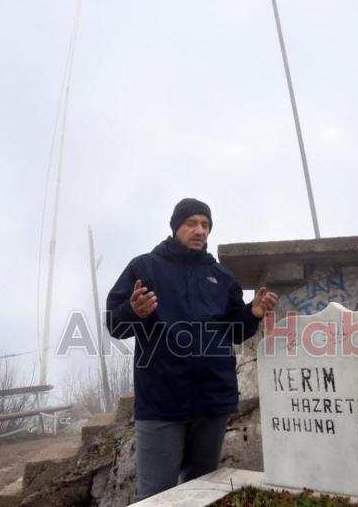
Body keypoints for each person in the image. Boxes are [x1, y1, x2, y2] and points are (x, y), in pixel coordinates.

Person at [106, 198, 277, 502]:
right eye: (192, 223)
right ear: (175, 227)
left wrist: (252, 313)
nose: (200, 230)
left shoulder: (221, 276)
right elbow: (114, 324)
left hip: (213, 399)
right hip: (161, 402)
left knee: (202, 490)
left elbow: (235, 331)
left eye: (206, 225)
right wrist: (134, 311)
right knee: (156, 496)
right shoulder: (144, 267)